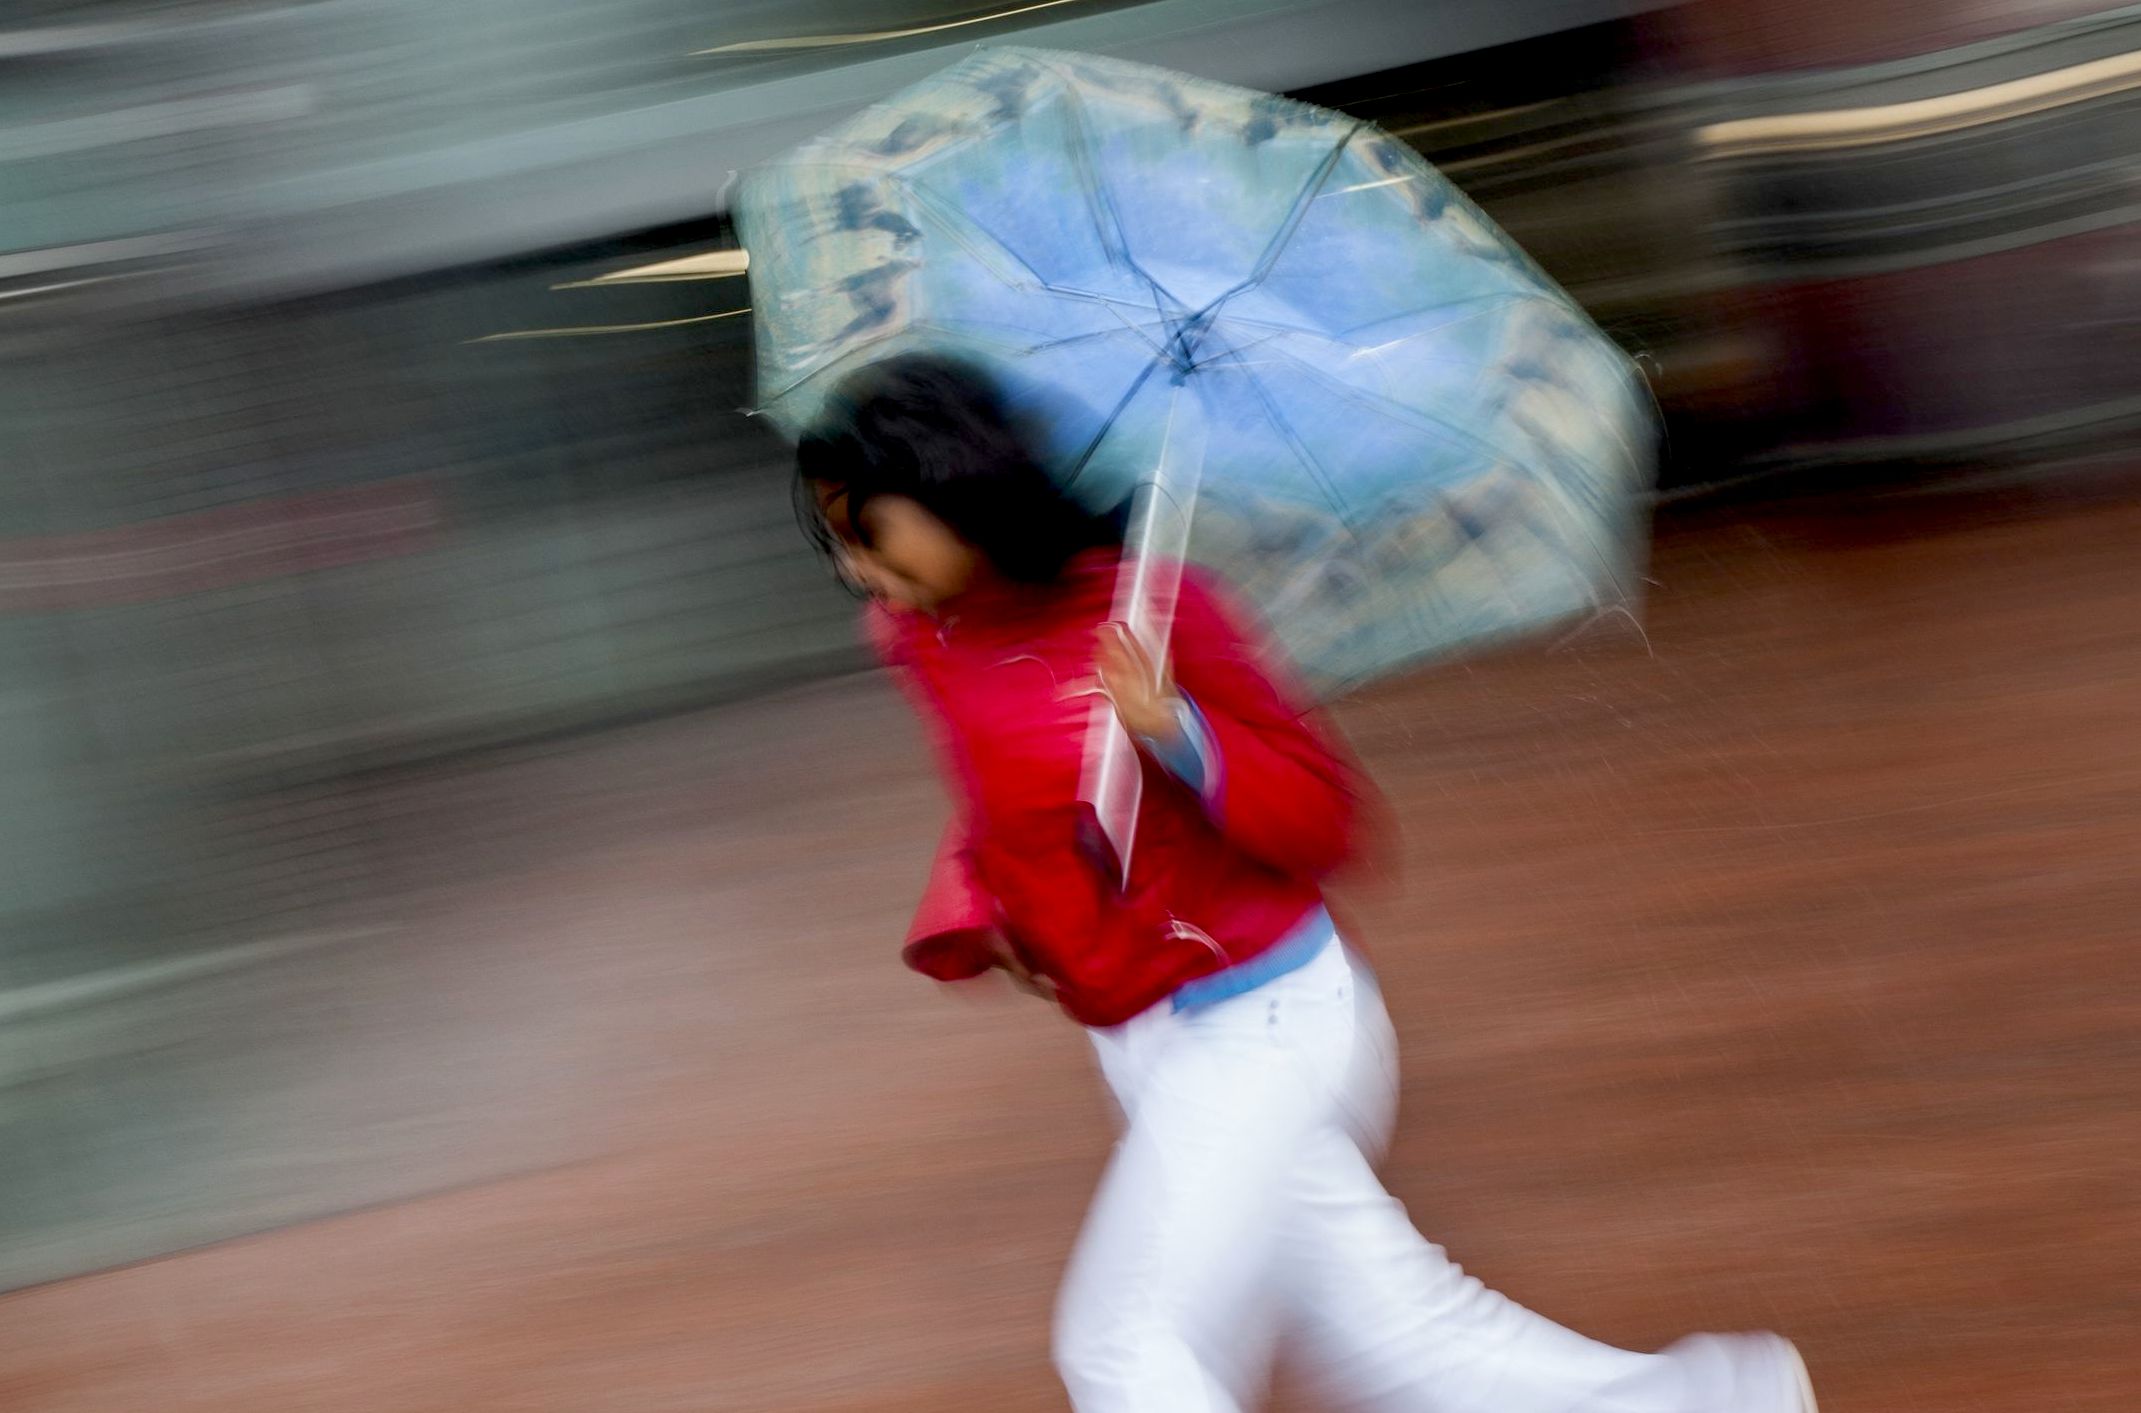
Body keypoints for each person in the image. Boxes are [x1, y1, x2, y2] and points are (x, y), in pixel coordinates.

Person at [793, 351, 1817, 1413]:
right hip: (1135, 1039)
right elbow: (992, 805)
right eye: (834, 538)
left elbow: (1328, 821)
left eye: (867, 529)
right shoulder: (919, 640)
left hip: (1264, 1024)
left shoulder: (1153, 611)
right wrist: (992, 916)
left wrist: (1177, 733)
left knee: (1123, 1345)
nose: (854, 567)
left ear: (956, 490)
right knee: (1394, 1342)